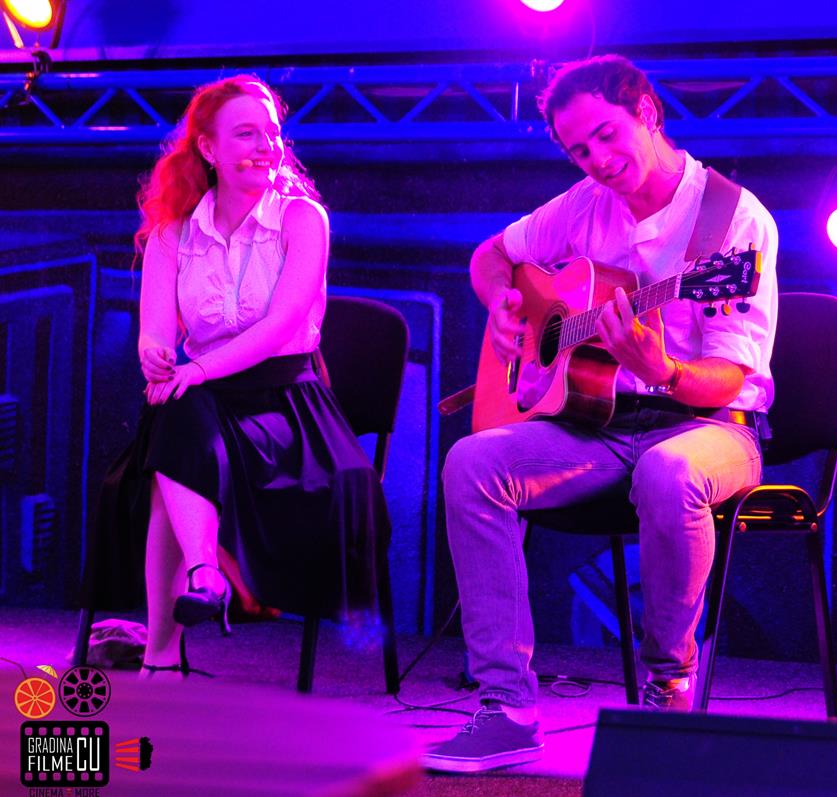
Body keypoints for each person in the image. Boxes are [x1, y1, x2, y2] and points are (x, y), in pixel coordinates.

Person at [425, 54, 778, 772]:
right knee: (472, 462)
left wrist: (662, 368)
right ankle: (506, 707)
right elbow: (492, 255)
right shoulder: (584, 202)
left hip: (711, 427)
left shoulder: (731, 220)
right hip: (599, 427)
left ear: (646, 111)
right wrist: (504, 303)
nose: (598, 160)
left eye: (607, 136)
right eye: (578, 149)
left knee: (669, 471)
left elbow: (730, 379)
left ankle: (666, 687)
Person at [92, 75, 390, 678]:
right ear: (208, 148)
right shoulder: (172, 233)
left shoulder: (302, 219)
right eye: (246, 134)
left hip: (289, 404)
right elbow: (155, 330)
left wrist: (194, 370)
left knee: (171, 445)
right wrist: (155, 356)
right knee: (177, 422)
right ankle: (204, 576)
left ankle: (165, 646)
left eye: (271, 133)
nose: (265, 146)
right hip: (201, 401)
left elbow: (282, 326)